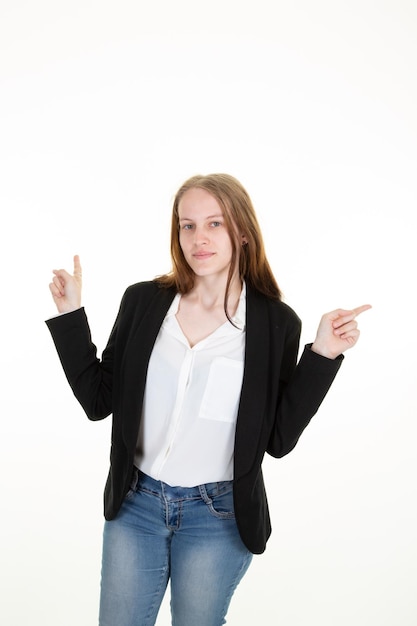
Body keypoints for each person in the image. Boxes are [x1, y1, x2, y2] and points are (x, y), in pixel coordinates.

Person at [46, 173, 370, 626]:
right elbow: (98, 400)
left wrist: (322, 355)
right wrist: (71, 315)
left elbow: (276, 439)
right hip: (136, 504)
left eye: (214, 224)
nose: (199, 238)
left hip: (217, 517)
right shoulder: (143, 302)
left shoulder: (276, 323)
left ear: (241, 230)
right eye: (188, 225)